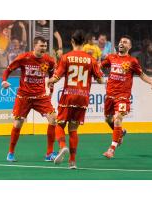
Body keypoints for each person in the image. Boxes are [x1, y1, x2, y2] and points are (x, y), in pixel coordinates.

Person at [48, 30, 104, 169]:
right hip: (83, 97)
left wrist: (51, 80)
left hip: (68, 96)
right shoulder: (91, 59)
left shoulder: (66, 57)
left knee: (59, 124)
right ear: (84, 42)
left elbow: (56, 76)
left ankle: (62, 146)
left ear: (72, 41)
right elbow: (101, 79)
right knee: (73, 129)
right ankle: (72, 162)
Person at [101, 35, 152, 159]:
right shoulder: (111, 57)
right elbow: (100, 67)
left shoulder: (132, 61)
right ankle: (120, 133)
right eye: (121, 41)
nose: (121, 43)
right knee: (108, 119)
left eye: (125, 42)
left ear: (129, 47)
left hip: (123, 96)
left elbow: (141, 74)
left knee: (117, 119)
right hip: (110, 95)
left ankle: (111, 149)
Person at [2, 36, 57, 162]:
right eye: (41, 46)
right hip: (24, 97)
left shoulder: (49, 60)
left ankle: (49, 154)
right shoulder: (24, 57)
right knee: (18, 123)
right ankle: (10, 152)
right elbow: (8, 69)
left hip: (40, 96)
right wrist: (4, 81)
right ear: (34, 46)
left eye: (45, 46)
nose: (44, 48)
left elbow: (52, 75)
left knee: (53, 119)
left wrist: (51, 88)